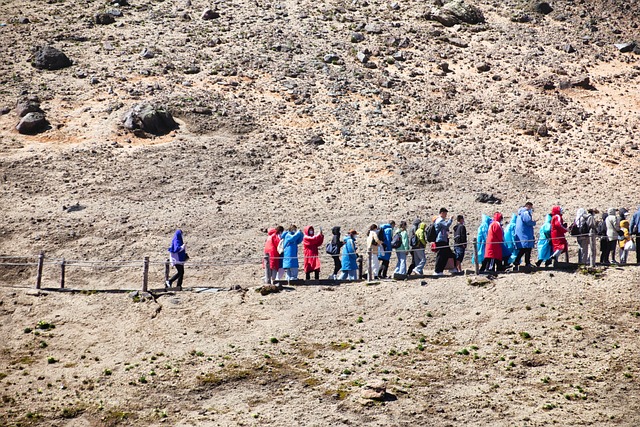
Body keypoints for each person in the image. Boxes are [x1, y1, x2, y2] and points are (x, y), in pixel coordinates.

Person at [514, 202, 536, 269]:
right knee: (527, 248)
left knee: (523, 249)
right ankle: (527, 263)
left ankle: (517, 261)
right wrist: (534, 222)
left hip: (522, 233)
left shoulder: (520, 214)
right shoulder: (525, 213)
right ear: (528, 206)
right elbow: (528, 221)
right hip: (526, 234)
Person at [433, 208, 453, 275]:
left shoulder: (441, 220)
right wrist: (450, 220)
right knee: (441, 255)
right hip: (440, 240)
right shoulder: (440, 220)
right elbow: (446, 225)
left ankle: (440, 270)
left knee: (445, 255)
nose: (446, 215)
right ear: (441, 213)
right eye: (445, 213)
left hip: (442, 239)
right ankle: (437, 271)